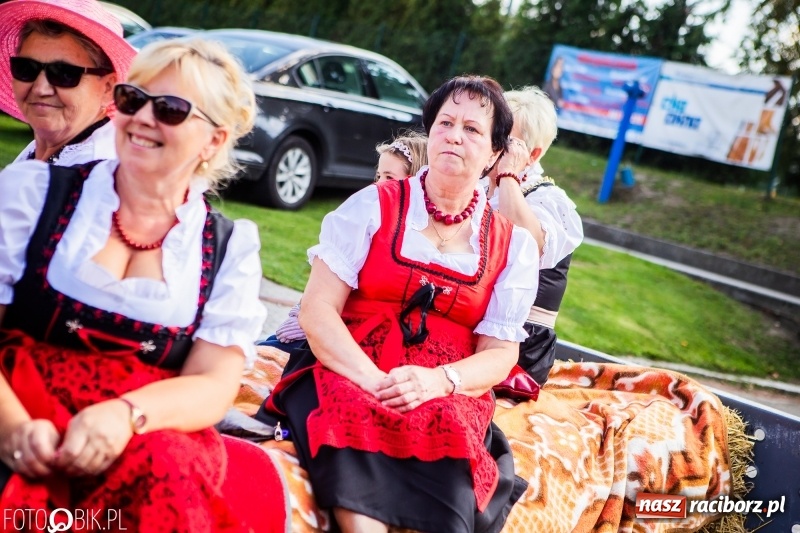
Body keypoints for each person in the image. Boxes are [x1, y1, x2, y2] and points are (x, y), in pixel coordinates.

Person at [0, 38, 266, 531]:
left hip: (140, 439)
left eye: (169, 109)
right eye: (132, 99)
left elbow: (213, 383)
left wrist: (126, 416)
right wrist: (12, 429)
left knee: (168, 469)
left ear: (213, 140)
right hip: (17, 410)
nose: (143, 117)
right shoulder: (33, 194)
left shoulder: (228, 246)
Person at [261, 75, 540, 533]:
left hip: (444, 386)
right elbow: (317, 310)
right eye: (445, 123)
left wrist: (438, 382)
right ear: (430, 134)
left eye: (472, 129)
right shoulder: (372, 205)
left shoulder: (513, 246)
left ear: (493, 154)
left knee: (447, 457)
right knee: (352, 439)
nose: (454, 135)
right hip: (351, 364)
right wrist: (374, 382)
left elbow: (500, 354)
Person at [261, 131, 430, 354]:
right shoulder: (363, 221)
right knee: (253, 356)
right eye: (378, 176)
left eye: (389, 178)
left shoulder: (411, 240)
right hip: (315, 326)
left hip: (350, 339)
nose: (379, 185)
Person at [486, 85, 583, 385]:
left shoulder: (552, 202)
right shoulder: (477, 184)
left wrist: (508, 177)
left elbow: (527, 243)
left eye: (503, 140)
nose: (491, 145)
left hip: (521, 346)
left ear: (533, 153)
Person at [0, 0, 135, 165]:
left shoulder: (101, 175)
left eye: (64, 73)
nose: (41, 89)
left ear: (108, 88)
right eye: (26, 68)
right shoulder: (40, 149)